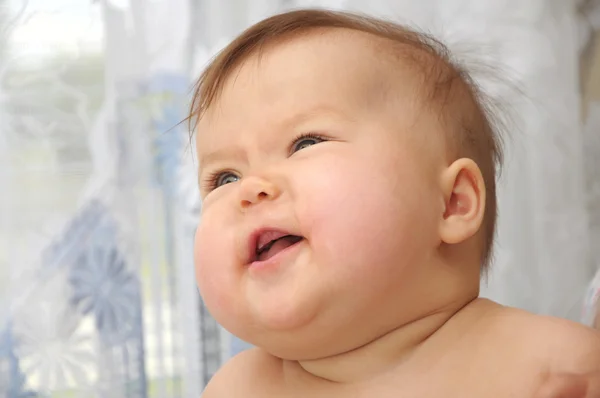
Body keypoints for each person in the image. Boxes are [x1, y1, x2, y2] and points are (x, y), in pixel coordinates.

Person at [191, 8, 600, 397]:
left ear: (452, 204)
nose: (251, 189)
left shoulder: (552, 366)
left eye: (306, 143)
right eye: (224, 178)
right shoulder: (238, 388)